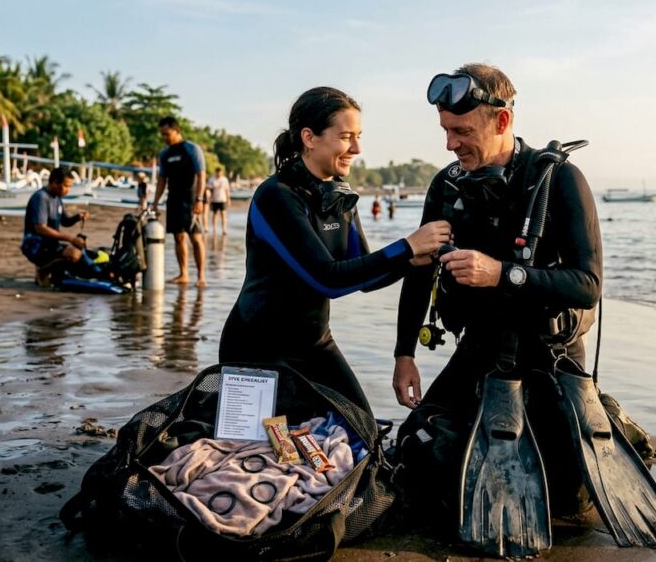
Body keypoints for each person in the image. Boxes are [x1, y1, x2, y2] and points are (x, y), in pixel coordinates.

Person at [392, 63, 604, 526]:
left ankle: (602, 422)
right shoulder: (446, 185)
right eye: (446, 131)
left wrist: (501, 274)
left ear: (502, 121)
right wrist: (403, 354)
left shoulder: (559, 180)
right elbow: (418, 273)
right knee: (416, 462)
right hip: (480, 350)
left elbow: (587, 286)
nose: (450, 144)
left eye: (462, 131)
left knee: (568, 502)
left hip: (549, 359)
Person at [219, 87, 451, 411]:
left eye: (358, 136)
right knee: (268, 456)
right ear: (309, 138)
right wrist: (407, 245)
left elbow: (365, 276)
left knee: (362, 434)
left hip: (315, 345)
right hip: (258, 351)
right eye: (346, 137)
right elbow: (327, 279)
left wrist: (411, 259)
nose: (356, 148)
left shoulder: (340, 197)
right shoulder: (277, 196)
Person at [151, 116, 208, 287]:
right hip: (173, 200)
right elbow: (162, 180)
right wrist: (155, 202)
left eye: (167, 134)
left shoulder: (192, 149)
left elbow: (201, 175)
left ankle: (201, 276)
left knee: (196, 238)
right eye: (162, 134)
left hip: (190, 199)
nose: (164, 137)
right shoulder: (165, 154)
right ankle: (183, 274)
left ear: (177, 131)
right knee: (178, 238)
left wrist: (199, 199)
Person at [20, 166, 90, 285]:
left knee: (80, 252)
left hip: (50, 244)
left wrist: (78, 217)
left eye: (70, 187)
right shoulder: (41, 197)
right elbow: (41, 228)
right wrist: (71, 239)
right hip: (34, 244)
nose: (68, 190)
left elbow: (65, 222)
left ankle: (51, 272)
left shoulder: (57, 198)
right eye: (66, 186)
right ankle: (42, 271)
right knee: (73, 254)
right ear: (55, 182)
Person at [206, 166, 231, 235]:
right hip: (214, 199)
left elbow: (227, 190)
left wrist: (228, 199)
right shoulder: (212, 179)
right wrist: (209, 199)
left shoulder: (224, 179)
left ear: (222, 173)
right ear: (215, 173)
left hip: (222, 199)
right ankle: (214, 229)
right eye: (217, 173)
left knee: (223, 214)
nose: (219, 174)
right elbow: (209, 190)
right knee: (215, 215)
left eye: (220, 173)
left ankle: (224, 229)